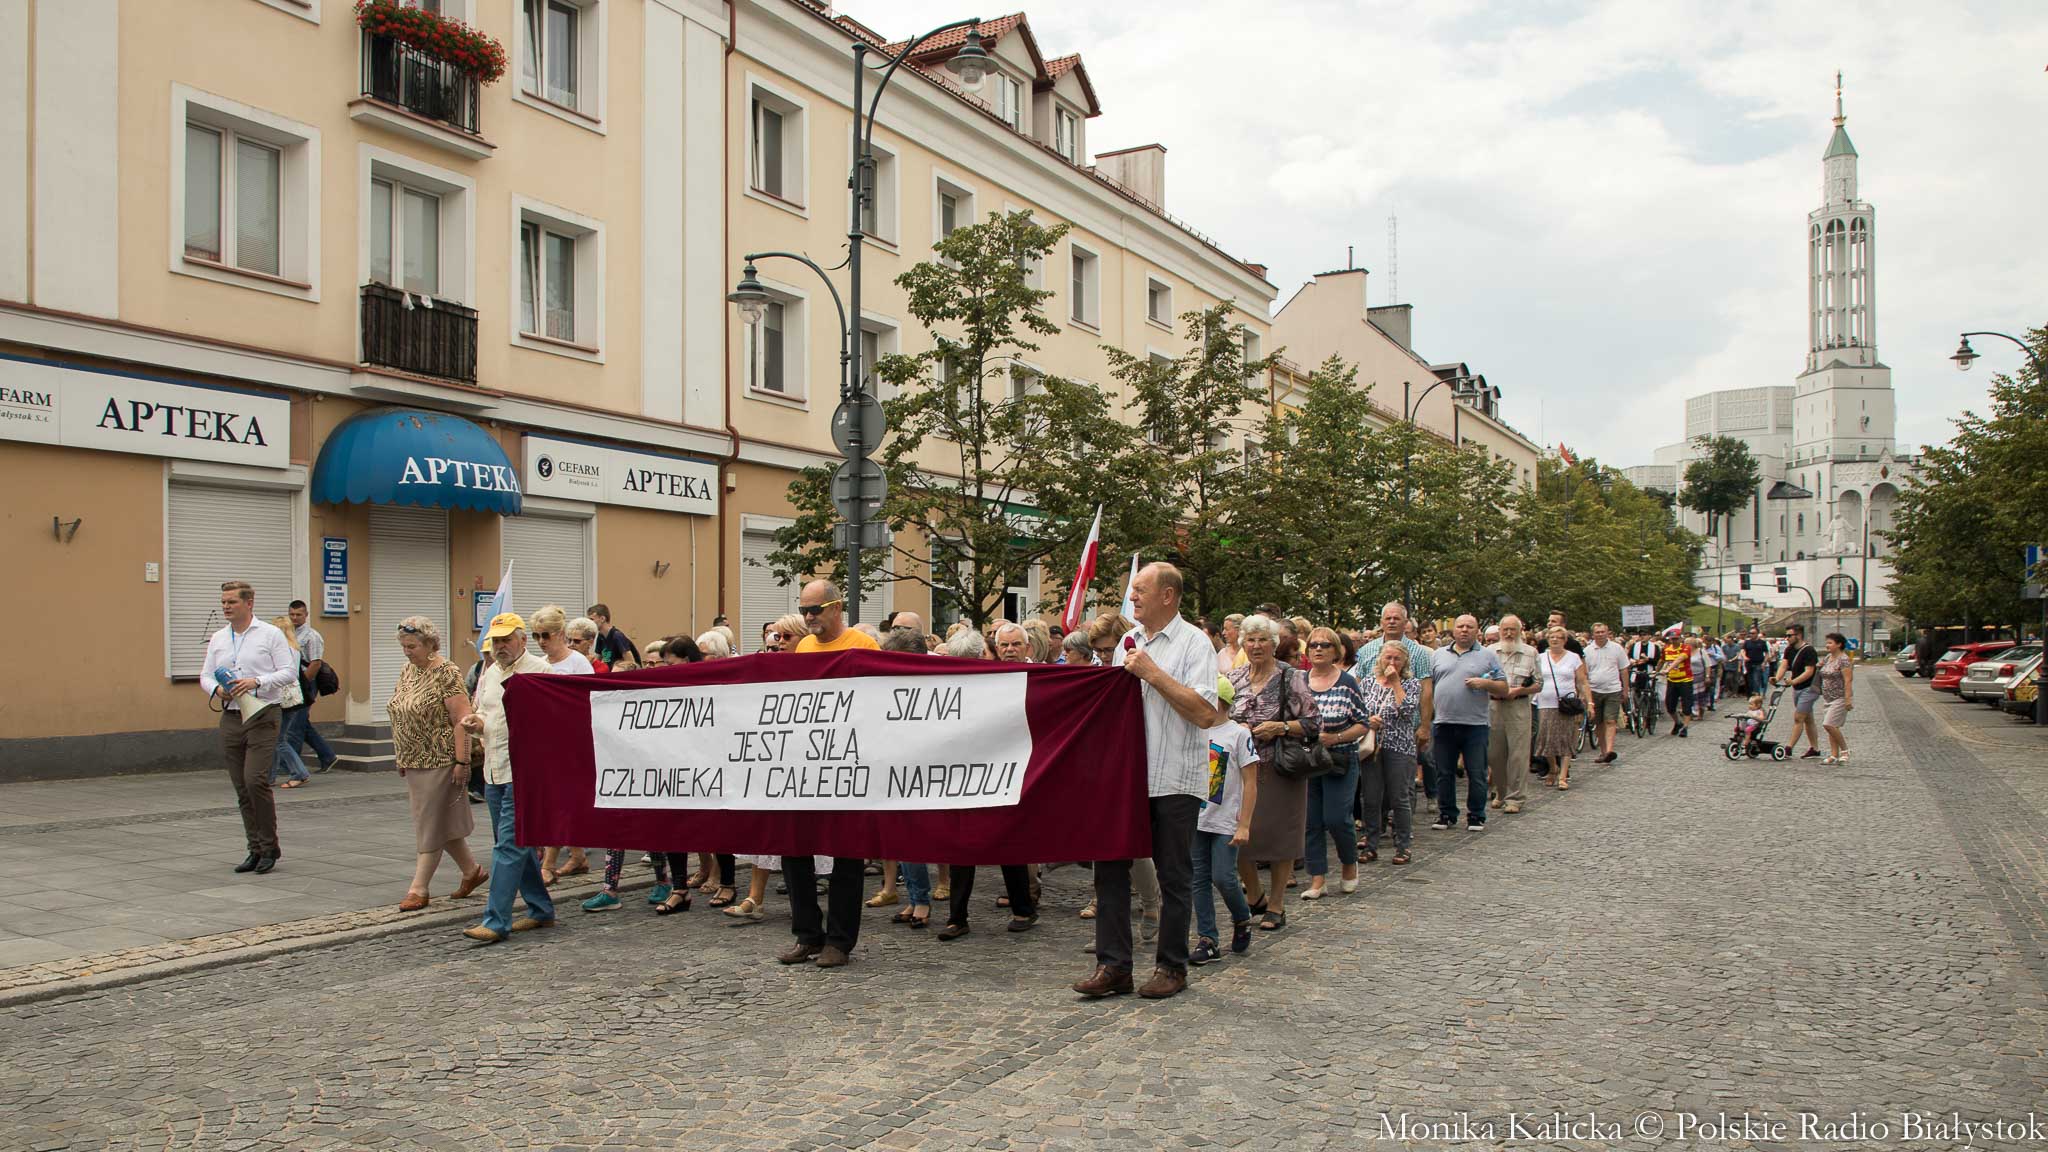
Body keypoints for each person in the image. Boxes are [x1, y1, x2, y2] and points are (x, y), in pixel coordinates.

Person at [1074, 563, 1223, 1001]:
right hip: (1126, 778)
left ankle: (1171, 966)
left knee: (1174, 874)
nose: (1132, 598)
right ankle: (1113, 965)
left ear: (1168, 596)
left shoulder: (1195, 643)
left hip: (1174, 776)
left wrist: (1153, 674)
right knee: (1111, 870)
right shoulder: (1127, 642)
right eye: (1132, 591)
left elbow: (1204, 713)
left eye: (1140, 590)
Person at [775, 581, 880, 969]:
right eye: (804, 609)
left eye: (815, 609)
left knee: (846, 858)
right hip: (804, 766)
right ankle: (807, 935)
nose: (808, 617)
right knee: (794, 851)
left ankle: (839, 941)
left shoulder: (863, 646)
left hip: (848, 766)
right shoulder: (803, 647)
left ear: (837, 608)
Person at [461, 613, 557, 943]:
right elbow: (487, 714)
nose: (500, 646)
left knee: (508, 846)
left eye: (506, 640)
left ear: (522, 640)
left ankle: (496, 920)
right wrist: (476, 722)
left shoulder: (541, 672)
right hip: (494, 769)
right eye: (496, 641)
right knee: (520, 843)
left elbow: (554, 722)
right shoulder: (489, 673)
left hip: (525, 774)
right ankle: (541, 909)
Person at [385, 616, 487, 911]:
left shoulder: (447, 672)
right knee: (439, 821)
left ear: (430, 644)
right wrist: (401, 754)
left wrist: (462, 761)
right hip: (414, 759)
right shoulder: (408, 671)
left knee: (429, 824)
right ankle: (472, 872)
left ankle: (419, 888)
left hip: (442, 758)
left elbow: (462, 719)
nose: (407, 651)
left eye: (412, 646)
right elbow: (400, 712)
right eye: (403, 646)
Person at [1227, 614, 1319, 933]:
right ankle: (1255, 894)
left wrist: (1280, 727)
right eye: (1250, 640)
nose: (1256, 646)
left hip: (1280, 767)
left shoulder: (1290, 677)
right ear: (1242, 644)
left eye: (1262, 639)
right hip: (1240, 769)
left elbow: (1313, 723)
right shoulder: (1233, 677)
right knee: (1237, 837)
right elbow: (1218, 716)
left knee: (1281, 838)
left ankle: (1277, 904)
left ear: (1273, 644)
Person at [201, 581, 299, 875]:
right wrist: (218, 690)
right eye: (223, 603)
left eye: (231, 602)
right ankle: (254, 849)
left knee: (255, 780)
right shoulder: (219, 637)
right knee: (241, 786)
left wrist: (257, 681)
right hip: (231, 715)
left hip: (263, 713)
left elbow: (289, 672)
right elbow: (205, 675)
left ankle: (270, 847)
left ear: (249, 603)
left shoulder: (270, 634)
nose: (226, 607)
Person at [1190, 688, 1259, 966]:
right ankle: (1208, 939)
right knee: (1198, 879)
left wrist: (1244, 823)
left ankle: (1242, 917)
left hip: (1225, 819)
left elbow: (1250, 781)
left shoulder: (1238, 734)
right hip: (1196, 818)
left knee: (1224, 876)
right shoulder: (1194, 730)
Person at [530, 605, 593, 884]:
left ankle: (548, 864)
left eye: (546, 635)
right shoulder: (539, 664)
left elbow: (591, 698)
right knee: (557, 800)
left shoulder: (578, 663)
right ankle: (578, 855)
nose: (541, 641)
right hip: (546, 740)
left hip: (572, 739)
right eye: (536, 636)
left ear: (560, 634)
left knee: (561, 801)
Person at [1301, 626, 1365, 899]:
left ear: (1336, 651)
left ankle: (1349, 865)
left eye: (1325, 645)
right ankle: (1318, 878)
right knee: (1311, 820)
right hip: (1307, 759)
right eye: (1314, 644)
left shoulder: (1347, 682)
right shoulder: (1299, 681)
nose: (1318, 649)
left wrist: (1336, 737)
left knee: (1337, 818)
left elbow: (1362, 723)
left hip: (1340, 758)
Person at [1427, 615, 1507, 831]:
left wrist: (1486, 683)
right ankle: (1447, 814)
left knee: (1476, 771)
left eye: (1469, 627)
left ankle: (1476, 815)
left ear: (1476, 631)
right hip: (1443, 722)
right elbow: (1428, 686)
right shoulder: (1438, 655)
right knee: (1444, 772)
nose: (1464, 630)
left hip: (1475, 724)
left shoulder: (1487, 656)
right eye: (1460, 626)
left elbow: (1503, 687)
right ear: (1453, 630)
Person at [1352, 601, 1436, 797]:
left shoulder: (1419, 652)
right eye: (1387, 618)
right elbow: (1358, 687)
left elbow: (1426, 690)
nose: (1391, 622)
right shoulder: (1366, 650)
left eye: (1396, 618)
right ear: (1381, 621)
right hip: (1372, 729)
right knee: (1373, 787)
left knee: (1402, 787)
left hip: (1405, 728)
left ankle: (1401, 825)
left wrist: (1425, 726)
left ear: (1405, 622)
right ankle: (1376, 824)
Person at [1486, 615, 1541, 815]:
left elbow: (1539, 684)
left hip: (1518, 706)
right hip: (1493, 706)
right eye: (1505, 630)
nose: (1509, 633)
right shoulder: (1489, 652)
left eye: (1513, 629)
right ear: (1499, 631)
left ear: (1520, 631)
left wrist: (1518, 691)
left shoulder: (1530, 652)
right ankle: (1500, 792)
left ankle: (1515, 797)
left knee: (1518, 754)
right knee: (1494, 754)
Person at [283, 599, 338, 773]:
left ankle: (289, 766)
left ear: (306, 615)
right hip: (292, 681)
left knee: (294, 727)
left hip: (306, 681)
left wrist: (303, 684)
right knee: (301, 723)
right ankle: (328, 756)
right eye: (292, 614)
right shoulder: (288, 633)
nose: (295, 617)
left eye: (298, 614)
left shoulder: (311, 636)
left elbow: (315, 663)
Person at [1534, 625, 1591, 790]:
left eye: (1558, 637)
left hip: (1567, 704)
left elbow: (1582, 681)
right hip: (1545, 702)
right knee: (1547, 738)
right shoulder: (1540, 657)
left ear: (1565, 640)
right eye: (1551, 637)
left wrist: (1589, 701)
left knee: (1566, 738)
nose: (1554, 640)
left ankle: (1563, 775)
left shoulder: (1573, 658)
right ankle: (1553, 767)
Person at [1582, 622, 1628, 764]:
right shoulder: (1588, 651)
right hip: (1595, 690)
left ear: (1608, 633)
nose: (1600, 634)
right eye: (1598, 632)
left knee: (1610, 720)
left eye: (1603, 632)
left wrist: (1625, 689)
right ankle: (1603, 751)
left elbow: (1624, 669)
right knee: (1599, 722)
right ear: (1593, 634)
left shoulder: (1616, 648)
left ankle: (1609, 750)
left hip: (1613, 689)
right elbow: (1584, 673)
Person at [1775, 624, 1822, 759]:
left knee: (1798, 717)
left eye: (1789, 635)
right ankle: (1815, 748)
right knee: (1808, 719)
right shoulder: (1789, 650)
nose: (1787, 638)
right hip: (1797, 689)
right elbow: (1784, 665)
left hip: (1810, 689)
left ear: (1799, 635)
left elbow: (1809, 672)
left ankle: (1789, 748)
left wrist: (1793, 681)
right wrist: (1776, 678)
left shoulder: (1809, 651)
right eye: (1787, 635)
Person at [1818, 632, 1855, 764]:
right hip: (1828, 698)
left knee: (1828, 724)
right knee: (1832, 727)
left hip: (1839, 697)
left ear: (1839, 644)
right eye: (1827, 642)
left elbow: (1848, 680)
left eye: (1830, 643)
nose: (1827, 645)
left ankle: (1845, 750)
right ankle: (1834, 754)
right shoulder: (1828, 657)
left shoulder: (1844, 660)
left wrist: (1848, 698)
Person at [1662, 631, 1695, 737]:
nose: (1674, 641)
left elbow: (1680, 659)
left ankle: (1685, 727)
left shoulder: (1686, 648)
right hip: (1672, 680)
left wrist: (1668, 669)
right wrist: (1656, 671)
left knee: (1686, 705)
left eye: (1676, 638)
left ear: (1680, 639)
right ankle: (1677, 722)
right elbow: (1662, 660)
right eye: (1672, 639)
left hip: (1685, 680)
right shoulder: (1666, 649)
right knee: (1670, 706)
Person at [586, 604, 639, 668]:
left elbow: (631, 664)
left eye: (592, 619)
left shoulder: (617, 636)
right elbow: (598, 659)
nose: (589, 623)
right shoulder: (600, 636)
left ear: (602, 619)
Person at [1743, 629, 1771, 697]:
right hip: (1749, 663)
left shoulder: (1762, 642)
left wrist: (1764, 663)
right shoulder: (1747, 642)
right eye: (1750, 633)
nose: (1751, 635)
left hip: (1758, 663)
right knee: (1750, 680)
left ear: (1757, 634)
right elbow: (1743, 650)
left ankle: (1756, 694)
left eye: (1753, 633)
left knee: (1756, 679)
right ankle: (1750, 694)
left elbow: (1767, 653)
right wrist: (1744, 657)